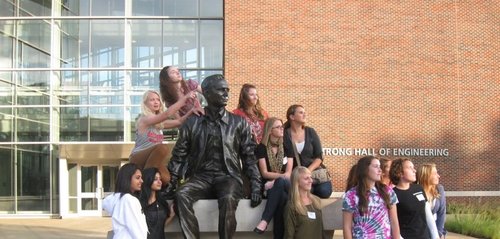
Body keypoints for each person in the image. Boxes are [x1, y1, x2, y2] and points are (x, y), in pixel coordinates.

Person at [166, 74, 262, 239]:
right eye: (221, 90)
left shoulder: (239, 123)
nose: (226, 94)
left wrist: (256, 185)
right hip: (200, 177)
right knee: (181, 194)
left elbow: (249, 157)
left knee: (229, 197)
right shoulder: (193, 123)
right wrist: (171, 183)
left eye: (227, 90)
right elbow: (179, 155)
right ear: (207, 93)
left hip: (228, 176)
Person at [129, 89, 196, 186]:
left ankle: (148, 180)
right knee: (162, 148)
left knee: (166, 179)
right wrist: (185, 98)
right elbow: (167, 114)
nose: (156, 102)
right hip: (138, 158)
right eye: (152, 100)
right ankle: (146, 184)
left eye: (158, 99)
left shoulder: (159, 123)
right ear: (145, 103)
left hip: (152, 160)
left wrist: (192, 111)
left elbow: (179, 122)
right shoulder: (144, 119)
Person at [253, 117, 294, 238]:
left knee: (281, 181)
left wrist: (276, 180)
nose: (282, 129)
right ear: (270, 130)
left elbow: (288, 174)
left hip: (287, 185)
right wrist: (277, 181)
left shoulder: (287, 146)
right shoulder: (261, 148)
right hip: (273, 188)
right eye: (278, 127)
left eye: (282, 127)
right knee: (281, 199)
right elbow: (264, 173)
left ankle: (264, 220)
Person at [342, 156, 400, 239]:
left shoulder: (388, 191)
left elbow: (394, 222)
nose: (380, 170)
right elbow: (347, 226)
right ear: (365, 169)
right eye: (376, 166)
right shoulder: (351, 195)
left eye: (380, 166)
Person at [283, 104, 332, 198]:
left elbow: (319, 156)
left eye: (304, 112)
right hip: (296, 176)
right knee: (303, 192)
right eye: (301, 112)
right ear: (292, 116)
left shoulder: (310, 132)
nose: (304, 115)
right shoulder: (285, 134)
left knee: (324, 191)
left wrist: (307, 172)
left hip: (314, 173)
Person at [390, 158, 439, 239]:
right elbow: (393, 223)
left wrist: (435, 236)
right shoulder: (393, 194)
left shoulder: (418, 188)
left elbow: (428, 216)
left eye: (413, 167)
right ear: (400, 173)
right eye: (410, 168)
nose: (414, 171)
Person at [103, 163, 148, 239]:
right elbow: (136, 228)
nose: (142, 181)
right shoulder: (129, 200)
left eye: (141, 177)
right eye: (138, 178)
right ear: (127, 178)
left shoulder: (117, 199)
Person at [284, 166, 323, 239]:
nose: (311, 180)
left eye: (310, 177)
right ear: (297, 182)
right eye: (306, 178)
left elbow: (321, 230)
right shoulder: (291, 206)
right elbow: (288, 235)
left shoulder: (316, 201)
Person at [140, 168, 176, 239]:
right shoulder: (139, 203)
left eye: (160, 179)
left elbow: (160, 225)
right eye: (155, 179)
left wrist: (171, 216)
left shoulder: (162, 202)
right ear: (148, 180)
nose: (160, 182)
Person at [417, 163, 447, 239]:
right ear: (425, 175)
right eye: (435, 173)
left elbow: (442, 213)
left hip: (436, 230)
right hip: (419, 232)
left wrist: (439, 233)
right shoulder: (415, 190)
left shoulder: (439, 189)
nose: (438, 176)